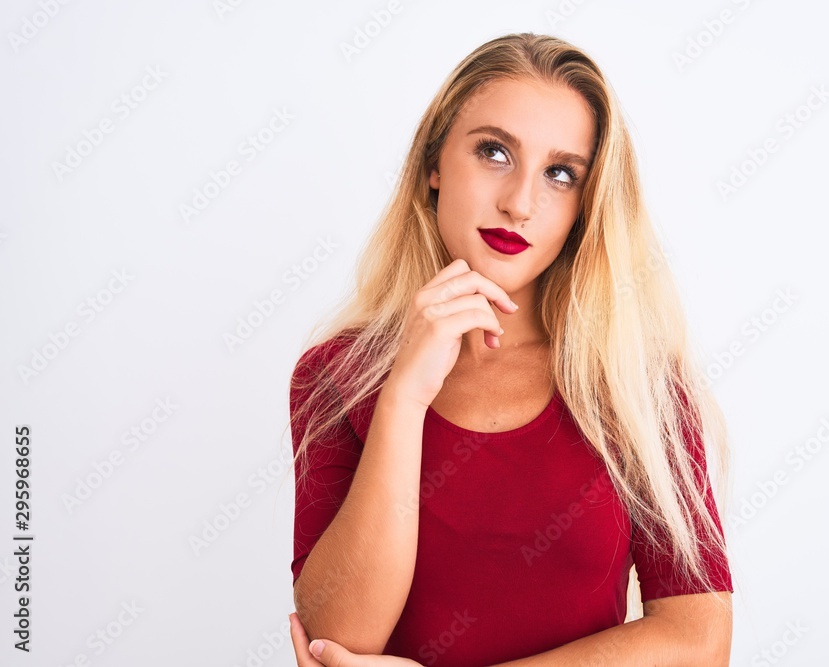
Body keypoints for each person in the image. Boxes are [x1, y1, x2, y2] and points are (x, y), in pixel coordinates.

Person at [286, 32, 734, 667]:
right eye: (494, 152)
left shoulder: (635, 383)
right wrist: (403, 398)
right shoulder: (337, 376)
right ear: (434, 164)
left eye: (560, 174)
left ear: (586, 206)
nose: (520, 202)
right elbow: (336, 641)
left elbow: (699, 640)